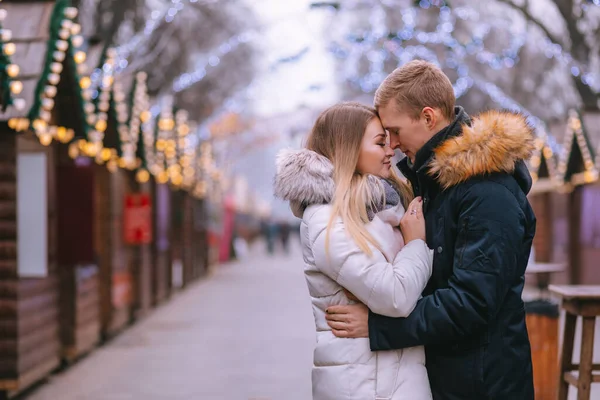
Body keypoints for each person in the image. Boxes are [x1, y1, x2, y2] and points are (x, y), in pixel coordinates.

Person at [324, 60, 537, 399]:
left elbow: (472, 302)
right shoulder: (435, 183)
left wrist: (379, 327)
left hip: (483, 383)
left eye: (394, 131)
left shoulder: (487, 191)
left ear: (427, 117)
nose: (391, 145)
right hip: (449, 374)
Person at [274, 102, 434, 400]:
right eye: (379, 142)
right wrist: (415, 244)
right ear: (348, 149)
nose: (391, 151)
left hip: (389, 374)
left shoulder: (380, 208)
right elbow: (396, 296)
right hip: (365, 383)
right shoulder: (328, 218)